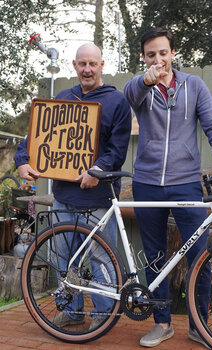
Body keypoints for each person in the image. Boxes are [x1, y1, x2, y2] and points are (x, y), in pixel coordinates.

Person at [124, 28, 212, 348]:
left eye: (163, 53)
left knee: (200, 255)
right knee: (155, 255)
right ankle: (162, 323)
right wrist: (146, 80)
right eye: (151, 54)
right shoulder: (141, 88)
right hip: (146, 184)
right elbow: (129, 94)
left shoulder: (193, 85)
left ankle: (199, 325)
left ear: (173, 53)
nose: (158, 59)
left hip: (186, 184)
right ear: (144, 58)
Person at [14, 43, 132, 330]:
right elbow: (35, 137)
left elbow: (117, 150)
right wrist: (21, 160)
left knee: (102, 261)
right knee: (63, 260)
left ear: (102, 65)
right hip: (64, 198)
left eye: (92, 64)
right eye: (82, 64)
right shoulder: (61, 100)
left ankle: (104, 317)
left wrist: (97, 170)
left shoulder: (117, 102)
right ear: (74, 64)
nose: (87, 69)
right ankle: (73, 311)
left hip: (99, 199)